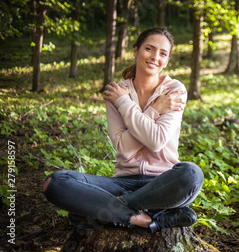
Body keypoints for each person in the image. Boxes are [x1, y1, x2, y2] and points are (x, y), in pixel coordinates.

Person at [42, 28, 204, 233]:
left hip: (162, 183)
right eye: (149, 49)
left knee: (192, 173)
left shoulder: (174, 90)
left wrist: (125, 106)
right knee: (55, 182)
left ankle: (103, 211)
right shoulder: (117, 92)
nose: (155, 57)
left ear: (168, 60)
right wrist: (148, 108)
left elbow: (156, 141)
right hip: (122, 183)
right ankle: (148, 220)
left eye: (163, 53)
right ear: (136, 51)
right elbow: (124, 149)